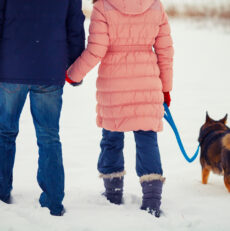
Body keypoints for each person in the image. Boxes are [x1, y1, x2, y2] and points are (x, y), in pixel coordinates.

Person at [67, 0, 173, 217]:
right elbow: (165, 51)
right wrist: (166, 88)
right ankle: (152, 200)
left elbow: (96, 49)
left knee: (111, 138)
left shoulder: (103, 6)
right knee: (147, 139)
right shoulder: (155, 5)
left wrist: (73, 73)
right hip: (147, 82)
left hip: (114, 83)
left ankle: (113, 194)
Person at [0, 0, 85, 216]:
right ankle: (53, 202)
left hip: (11, 66)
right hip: (49, 67)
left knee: (4, 133)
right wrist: (75, 67)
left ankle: (0, 194)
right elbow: (74, 25)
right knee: (49, 137)